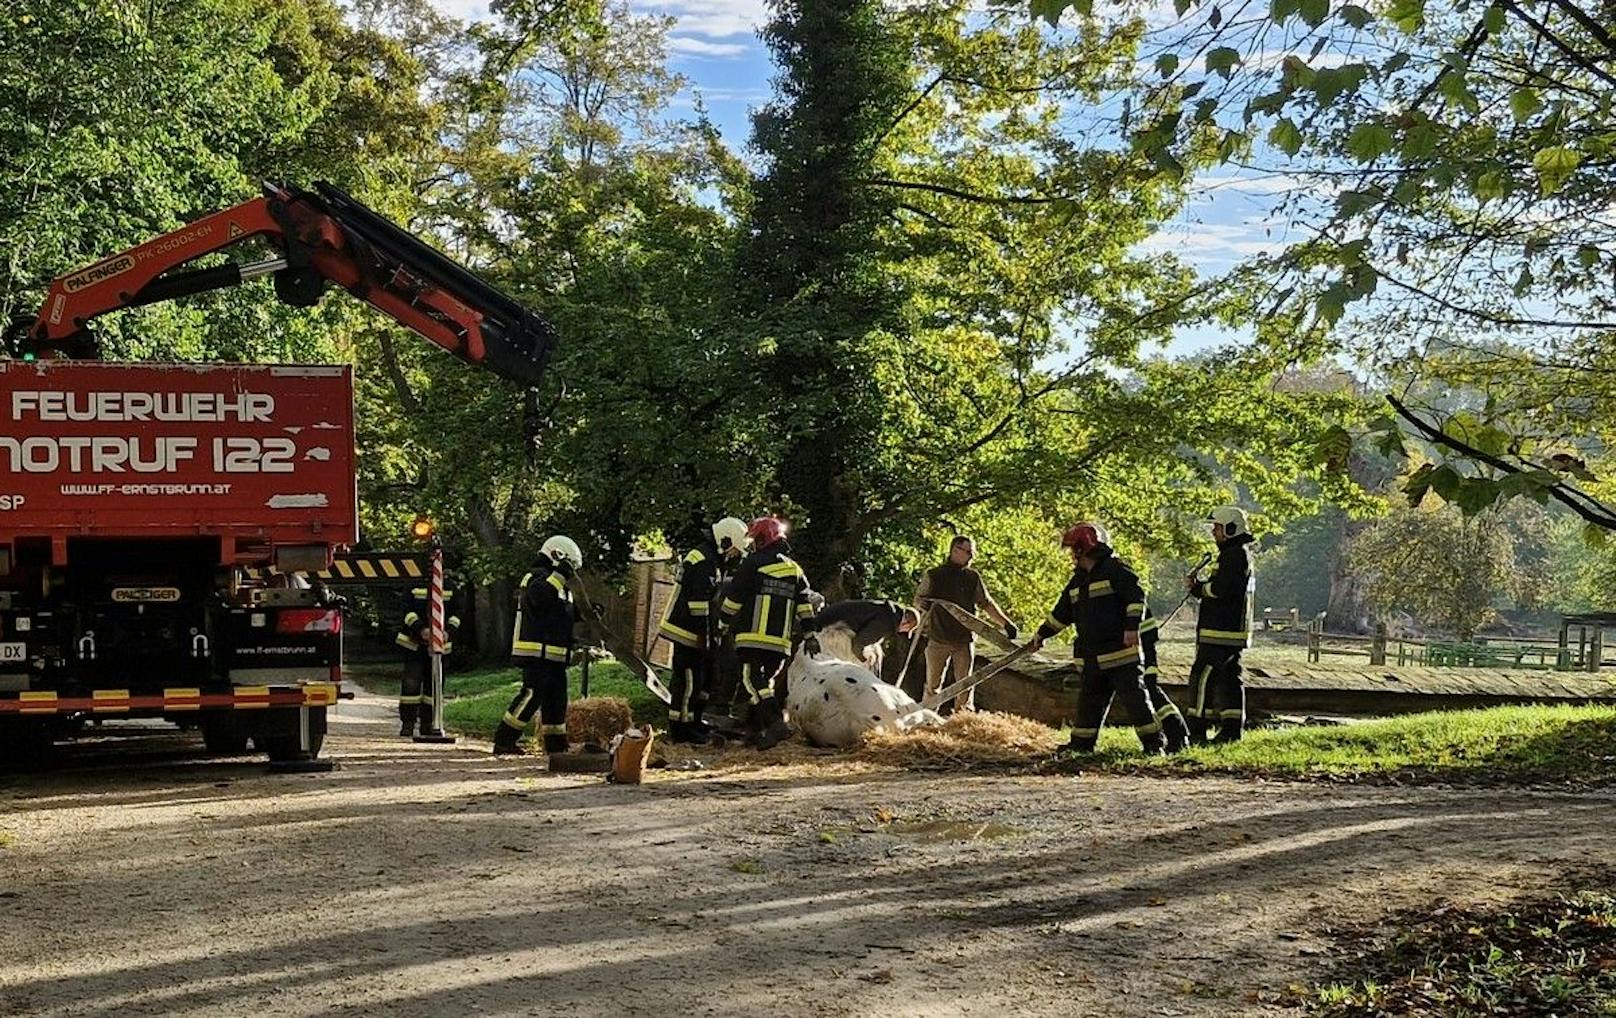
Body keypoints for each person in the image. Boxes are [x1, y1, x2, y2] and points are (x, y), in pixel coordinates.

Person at [1029, 523, 1165, 755]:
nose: (1071, 556)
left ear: (1084, 548)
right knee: (1089, 705)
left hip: (1120, 655)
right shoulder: (1077, 582)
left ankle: (1154, 745)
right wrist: (1042, 634)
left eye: (1073, 550)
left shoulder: (1117, 571)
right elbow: (1061, 614)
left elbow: (1136, 599)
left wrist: (1132, 628)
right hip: (1091, 658)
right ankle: (1081, 745)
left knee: (1136, 702)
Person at [717, 516, 817, 749]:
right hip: (780, 643)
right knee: (764, 684)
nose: (752, 544)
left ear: (764, 539)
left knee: (751, 680)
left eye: (755, 539)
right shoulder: (795, 570)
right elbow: (805, 606)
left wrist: (722, 623)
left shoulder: (753, 564)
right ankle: (754, 732)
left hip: (751, 638)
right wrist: (810, 635)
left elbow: (734, 600)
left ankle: (776, 723)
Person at [658, 516, 749, 745]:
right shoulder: (702, 559)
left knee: (703, 680)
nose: (733, 556)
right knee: (688, 681)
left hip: (697, 632)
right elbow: (698, 605)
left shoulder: (712, 559)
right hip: (686, 631)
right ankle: (681, 730)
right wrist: (707, 638)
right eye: (733, 551)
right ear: (726, 541)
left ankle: (695, 723)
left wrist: (711, 637)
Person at [494, 535, 584, 757]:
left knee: (556, 700)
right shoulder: (535, 578)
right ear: (558, 556)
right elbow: (539, 598)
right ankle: (504, 740)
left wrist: (584, 614)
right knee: (531, 695)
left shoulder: (560, 585)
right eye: (570, 566)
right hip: (536, 652)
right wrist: (559, 575)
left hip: (555, 655)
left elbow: (562, 613)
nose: (571, 572)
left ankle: (556, 745)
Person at [913, 535, 1016, 712]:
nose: (971, 556)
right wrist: (923, 604)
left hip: (964, 639)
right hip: (938, 638)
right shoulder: (934, 575)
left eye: (972, 552)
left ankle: (963, 721)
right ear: (955, 550)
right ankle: (928, 719)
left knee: (965, 685)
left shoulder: (972, 577)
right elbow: (918, 600)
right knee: (933, 685)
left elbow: (986, 603)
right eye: (967, 552)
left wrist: (1005, 624)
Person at [1184, 506, 1256, 744]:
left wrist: (1198, 589)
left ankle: (1196, 730)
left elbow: (1221, 589)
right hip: (1230, 631)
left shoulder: (1234, 555)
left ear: (1231, 529)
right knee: (1229, 679)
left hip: (1220, 631)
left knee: (1202, 677)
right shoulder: (1236, 554)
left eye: (1217, 527)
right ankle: (1231, 730)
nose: (1213, 532)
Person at [395, 584, 462, 737]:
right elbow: (407, 611)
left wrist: (448, 632)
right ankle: (408, 723)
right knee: (411, 686)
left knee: (434, 687)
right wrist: (420, 629)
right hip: (414, 644)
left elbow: (457, 614)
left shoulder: (450, 584)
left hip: (440, 646)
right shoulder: (413, 582)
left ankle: (429, 724)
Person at [804, 599, 921, 674]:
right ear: (906, 623)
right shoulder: (887, 622)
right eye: (906, 630)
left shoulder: (885, 610)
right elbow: (858, 645)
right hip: (830, 628)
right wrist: (864, 660)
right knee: (864, 665)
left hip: (828, 618)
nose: (902, 632)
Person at [1138, 605, 1190, 753]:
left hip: (1142, 657)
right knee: (1152, 693)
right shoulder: (1129, 594)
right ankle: (1178, 735)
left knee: (1151, 693)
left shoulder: (1126, 594)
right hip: (1144, 655)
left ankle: (1178, 735)